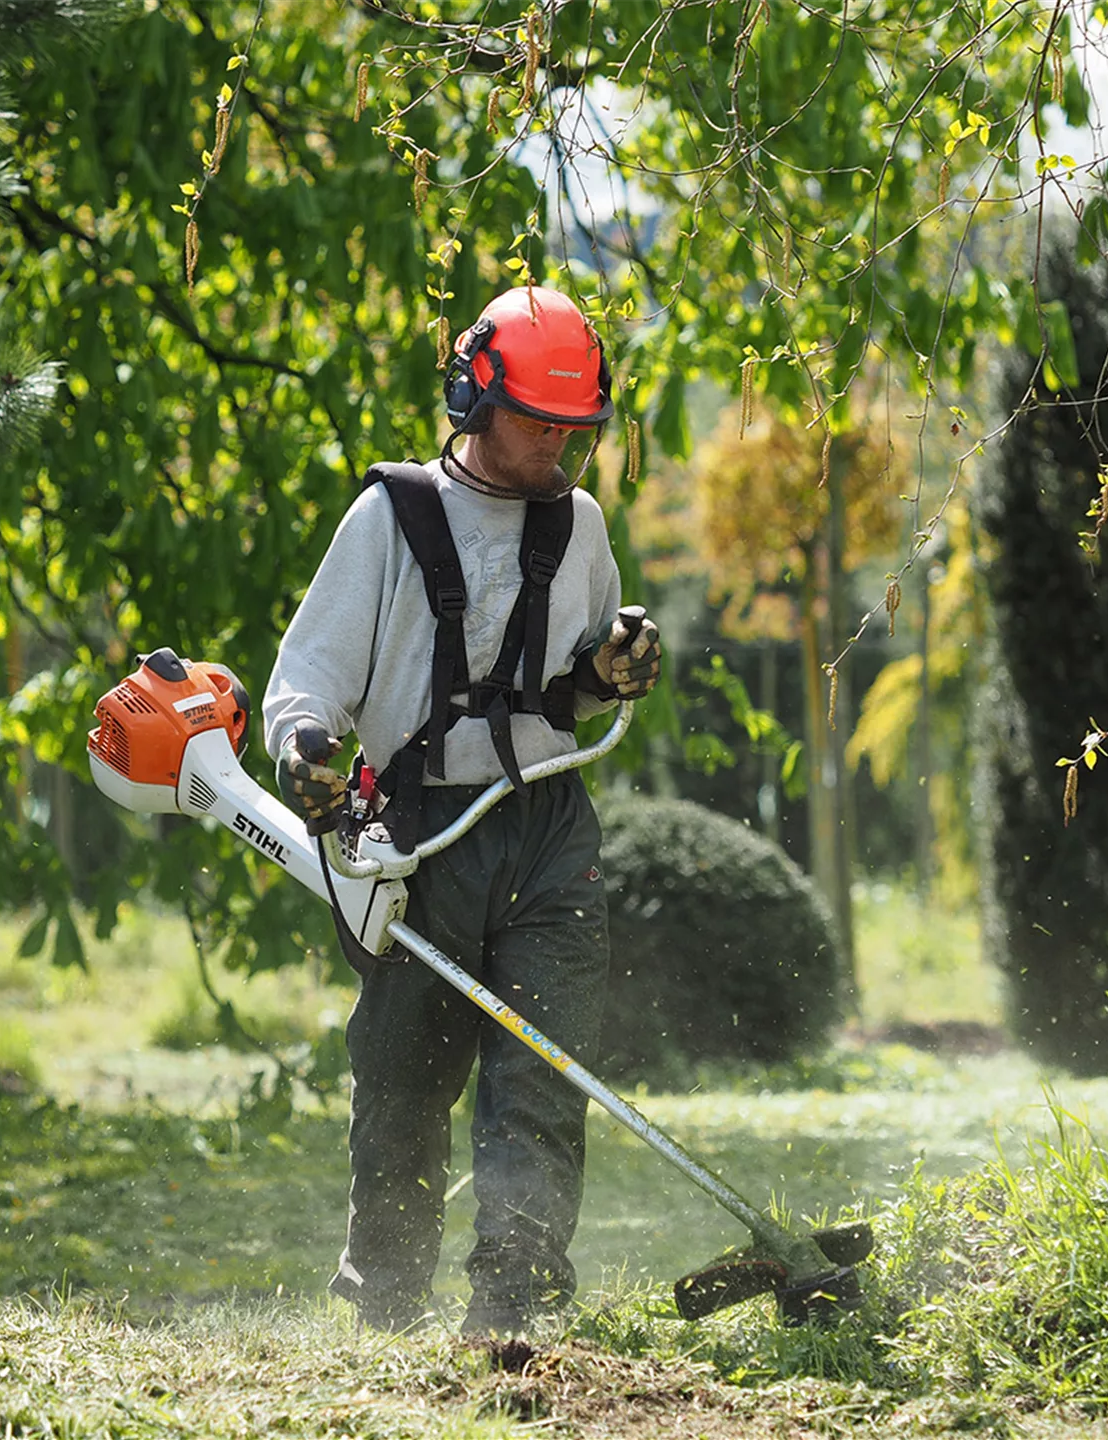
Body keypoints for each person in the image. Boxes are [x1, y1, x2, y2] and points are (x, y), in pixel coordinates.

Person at [262, 285, 661, 1337]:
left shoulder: (577, 523)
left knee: (542, 1071)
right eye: (542, 424)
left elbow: (566, 684)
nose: (562, 449)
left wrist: (608, 671)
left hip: (545, 823)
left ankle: (513, 1300)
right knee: (404, 1077)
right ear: (475, 399)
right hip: (420, 836)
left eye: (578, 429)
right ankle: (386, 1296)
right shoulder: (389, 518)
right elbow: (305, 679)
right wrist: (307, 748)